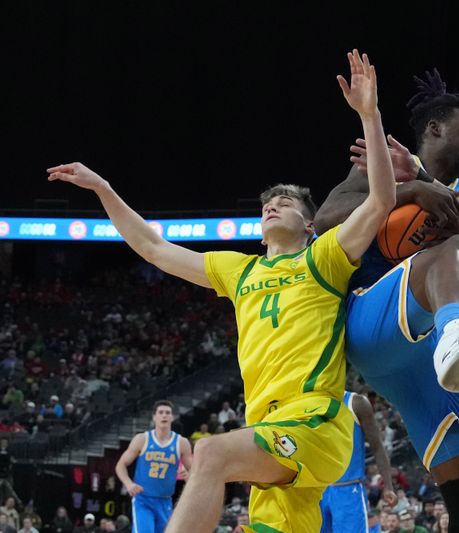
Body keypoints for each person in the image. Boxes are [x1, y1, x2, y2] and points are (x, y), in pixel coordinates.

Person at [49, 49, 395, 532]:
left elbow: (381, 199)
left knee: (210, 450)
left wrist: (370, 115)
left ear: (310, 224)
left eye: (286, 202)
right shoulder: (240, 272)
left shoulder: (324, 258)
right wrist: (104, 187)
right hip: (267, 434)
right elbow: (152, 246)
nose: (273, 206)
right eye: (268, 204)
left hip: (313, 422)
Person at [315, 69, 459, 531]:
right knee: (448, 250)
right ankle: (454, 330)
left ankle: (454, 337)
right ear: (434, 128)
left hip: (430, 360)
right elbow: (324, 220)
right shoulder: (383, 160)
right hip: (371, 321)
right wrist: (406, 190)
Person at [320, 391, 397, 532]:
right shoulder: (306, 401)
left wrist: (388, 486)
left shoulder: (356, 403)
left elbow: (378, 446)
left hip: (349, 489)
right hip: (315, 490)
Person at [114, 400, 192, 533]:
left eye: (167, 413)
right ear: (154, 417)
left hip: (165, 501)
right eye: (160, 412)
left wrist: (189, 476)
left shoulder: (182, 443)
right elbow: (120, 465)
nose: (164, 415)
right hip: (143, 500)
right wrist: (129, 484)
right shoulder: (142, 439)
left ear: (172, 417)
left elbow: (195, 472)